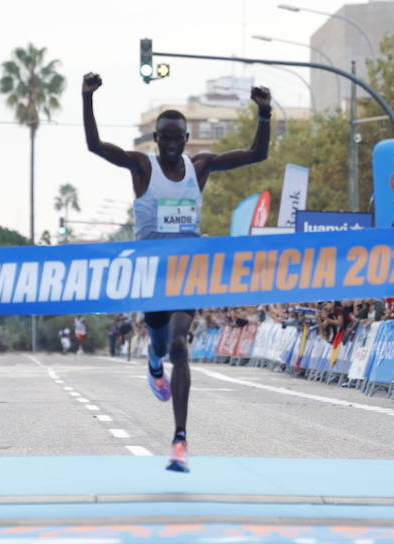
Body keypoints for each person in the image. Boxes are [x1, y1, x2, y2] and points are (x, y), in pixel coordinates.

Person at [83, 71, 272, 472]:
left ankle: (180, 440)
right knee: (158, 344)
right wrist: (88, 98)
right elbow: (95, 146)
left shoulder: (199, 168)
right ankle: (153, 364)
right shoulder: (141, 167)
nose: (170, 145)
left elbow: (256, 155)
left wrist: (266, 113)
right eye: (164, 138)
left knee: (180, 347)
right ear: (156, 139)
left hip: (187, 272)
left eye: (176, 139)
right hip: (151, 274)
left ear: (186, 140)